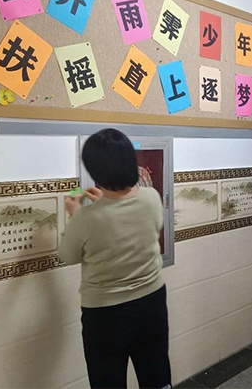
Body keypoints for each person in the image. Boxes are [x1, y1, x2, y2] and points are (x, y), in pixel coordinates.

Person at [59, 128, 171, 389]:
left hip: (105, 314)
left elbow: (68, 255)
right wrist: (103, 203)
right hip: (152, 302)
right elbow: (143, 227)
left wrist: (74, 213)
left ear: (96, 171)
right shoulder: (152, 198)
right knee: (156, 375)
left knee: (107, 380)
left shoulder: (86, 219)